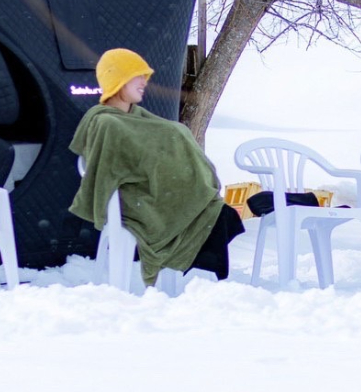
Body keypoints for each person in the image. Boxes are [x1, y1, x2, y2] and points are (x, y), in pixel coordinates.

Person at [68, 48, 244, 286]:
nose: (144, 81)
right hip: (139, 201)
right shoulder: (106, 123)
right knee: (213, 217)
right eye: (137, 75)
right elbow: (107, 171)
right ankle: (201, 282)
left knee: (219, 215)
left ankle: (201, 280)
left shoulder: (140, 117)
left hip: (160, 195)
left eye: (144, 76)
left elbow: (163, 147)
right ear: (117, 79)